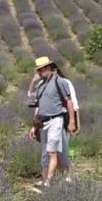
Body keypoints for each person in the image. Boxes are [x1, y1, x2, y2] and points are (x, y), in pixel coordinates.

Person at [27, 56, 76, 190]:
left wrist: (72, 121)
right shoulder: (41, 85)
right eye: (38, 71)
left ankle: (48, 183)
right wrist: (34, 126)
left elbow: (69, 101)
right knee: (45, 153)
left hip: (56, 120)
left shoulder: (59, 81)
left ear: (48, 68)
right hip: (43, 123)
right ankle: (45, 180)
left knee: (52, 152)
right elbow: (34, 104)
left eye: (41, 70)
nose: (40, 73)